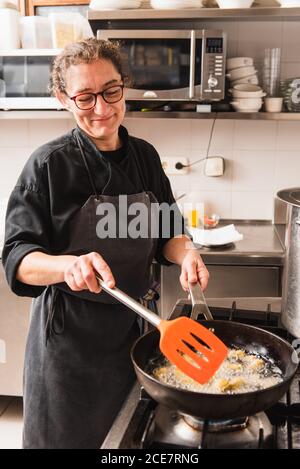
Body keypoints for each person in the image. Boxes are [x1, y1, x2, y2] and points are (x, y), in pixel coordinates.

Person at [2, 38, 209, 449]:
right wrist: (67, 266)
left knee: (127, 441)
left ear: (124, 85)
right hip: (68, 344)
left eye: (111, 91)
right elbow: (16, 257)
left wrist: (188, 254)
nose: (102, 108)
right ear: (64, 99)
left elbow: (170, 232)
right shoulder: (48, 165)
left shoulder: (146, 158)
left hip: (135, 333)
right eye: (85, 97)